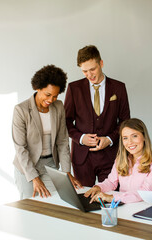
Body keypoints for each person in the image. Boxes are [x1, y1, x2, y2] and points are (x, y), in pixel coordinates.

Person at [12, 65, 82, 200]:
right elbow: (21, 148)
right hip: (27, 166)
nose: (51, 100)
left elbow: (62, 142)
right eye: (48, 95)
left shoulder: (58, 107)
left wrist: (67, 173)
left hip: (50, 165)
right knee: (30, 207)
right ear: (38, 88)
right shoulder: (21, 110)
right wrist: (34, 178)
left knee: (57, 202)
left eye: (55, 96)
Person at [64, 45, 130, 186]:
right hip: (82, 157)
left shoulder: (119, 88)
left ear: (101, 63)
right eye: (84, 71)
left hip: (111, 156)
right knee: (84, 199)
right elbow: (66, 122)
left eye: (92, 69)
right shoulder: (74, 89)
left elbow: (125, 121)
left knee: (109, 198)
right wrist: (81, 138)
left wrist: (109, 139)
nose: (89, 75)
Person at [84, 118, 152, 203]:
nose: (129, 142)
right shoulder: (121, 159)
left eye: (134, 136)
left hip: (144, 209)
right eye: (125, 138)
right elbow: (111, 182)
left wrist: (112, 198)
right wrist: (98, 188)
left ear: (144, 137)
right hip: (123, 207)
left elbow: (144, 192)